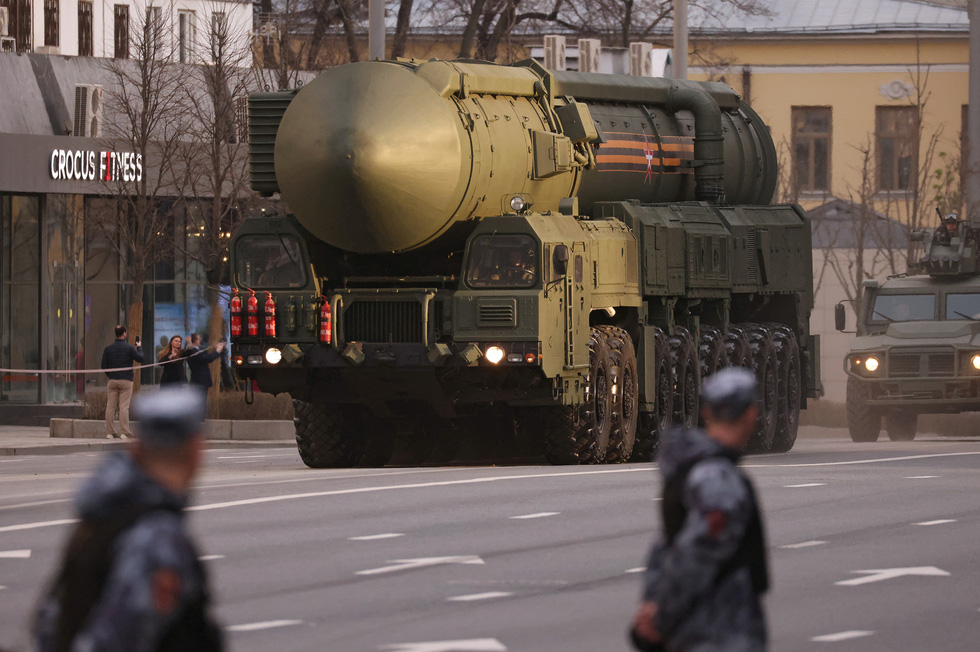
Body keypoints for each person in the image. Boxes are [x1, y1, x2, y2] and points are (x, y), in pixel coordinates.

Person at [34, 386, 223, 652]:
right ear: (196, 452)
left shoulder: (105, 514)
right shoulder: (158, 537)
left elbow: (51, 623)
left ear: (136, 449)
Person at [631, 367, 770, 652]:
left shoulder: (691, 467)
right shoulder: (716, 477)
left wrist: (652, 602)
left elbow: (666, 545)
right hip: (718, 628)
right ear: (750, 416)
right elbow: (696, 551)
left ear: (707, 413)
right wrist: (662, 617)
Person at [101, 325, 144, 439]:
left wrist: (111, 375)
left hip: (112, 380)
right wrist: (139, 347)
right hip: (126, 380)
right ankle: (124, 432)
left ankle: (110, 432)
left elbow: (103, 366)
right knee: (124, 407)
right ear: (124, 333)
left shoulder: (108, 349)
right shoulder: (129, 348)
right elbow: (140, 358)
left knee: (110, 407)